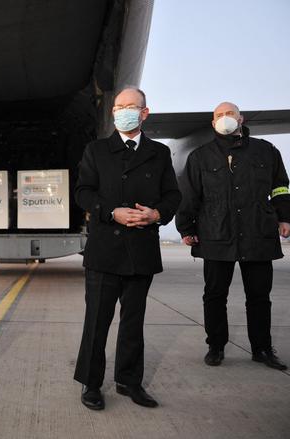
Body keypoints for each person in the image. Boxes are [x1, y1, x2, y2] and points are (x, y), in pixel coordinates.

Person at [73, 88, 181, 411]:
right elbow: (82, 192)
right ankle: (91, 384)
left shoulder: (159, 153)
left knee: (133, 322)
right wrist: (111, 211)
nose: (123, 111)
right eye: (119, 107)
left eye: (130, 107)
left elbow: (172, 196)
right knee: (97, 322)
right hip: (105, 250)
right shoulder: (97, 150)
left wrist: (157, 214)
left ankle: (129, 381)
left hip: (141, 250)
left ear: (144, 113)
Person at [176, 102, 290, 370]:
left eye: (230, 114)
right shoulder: (200, 157)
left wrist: (286, 217)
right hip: (217, 235)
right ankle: (216, 347)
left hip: (258, 234)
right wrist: (186, 228)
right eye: (219, 115)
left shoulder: (266, 151)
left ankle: (262, 349)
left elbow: (280, 188)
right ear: (212, 123)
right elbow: (190, 196)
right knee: (215, 295)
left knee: (259, 296)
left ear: (241, 118)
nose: (225, 119)